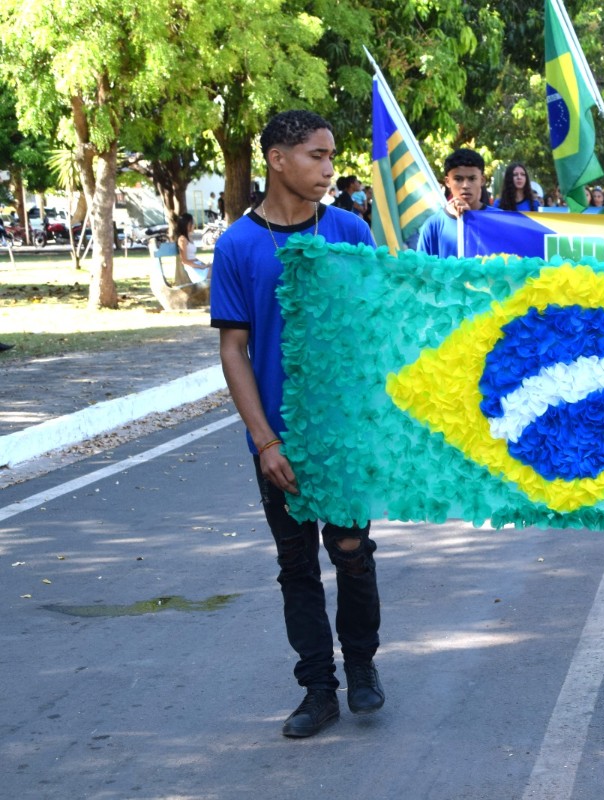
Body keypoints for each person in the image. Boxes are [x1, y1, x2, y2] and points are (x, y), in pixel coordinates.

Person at [210, 110, 384, 740]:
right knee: (296, 566)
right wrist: (265, 441)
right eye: (317, 155)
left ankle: (362, 667)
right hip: (278, 440)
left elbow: (375, 325)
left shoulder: (349, 231)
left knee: (351, 554)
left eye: (332, 155)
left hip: (342, 435)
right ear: (278, 159)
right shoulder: (237, 245)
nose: (330, 168)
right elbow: (235, 349)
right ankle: (318, 689)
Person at [416, 147, 499, 257]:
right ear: (447, 181)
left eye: (472, 179)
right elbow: (420, 269)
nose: (465, 185)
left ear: (482, 180)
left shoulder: (498, 220)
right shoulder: (433, 225)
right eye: (458, 179)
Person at [173, 213, 207, 283]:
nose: (193, 225)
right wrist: (200, 266)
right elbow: (184, 261)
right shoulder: (182, 239)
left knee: (218, 267)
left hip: (197, 266)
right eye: (192, 223)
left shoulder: (189, 237)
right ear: (186, 225)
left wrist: (204, 264)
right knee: (218, 271)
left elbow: (193, 257)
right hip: (194, 270)